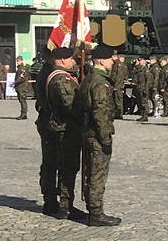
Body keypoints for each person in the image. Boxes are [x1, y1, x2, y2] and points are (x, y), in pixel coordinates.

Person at [78, 45, 122, 226]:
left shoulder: (89, 78)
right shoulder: (100, 82)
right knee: (97, 173)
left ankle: (92, 208)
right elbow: (100, 112)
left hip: (88, 131)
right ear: (102, 61)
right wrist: (105, 138)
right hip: (97, 134)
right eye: (111, 58)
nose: (113, 61)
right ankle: (96, 213)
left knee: (91, 171)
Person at [37, 46, 83, 218]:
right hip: (63, 127)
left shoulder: (46, 73)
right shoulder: (61, 79)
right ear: (63, 60)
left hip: (48, 124)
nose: (74, 61)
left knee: (49, 165)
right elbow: (70, 105)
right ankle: (65, 205)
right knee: (67, 166)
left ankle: (49, 202)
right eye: (71, 59)